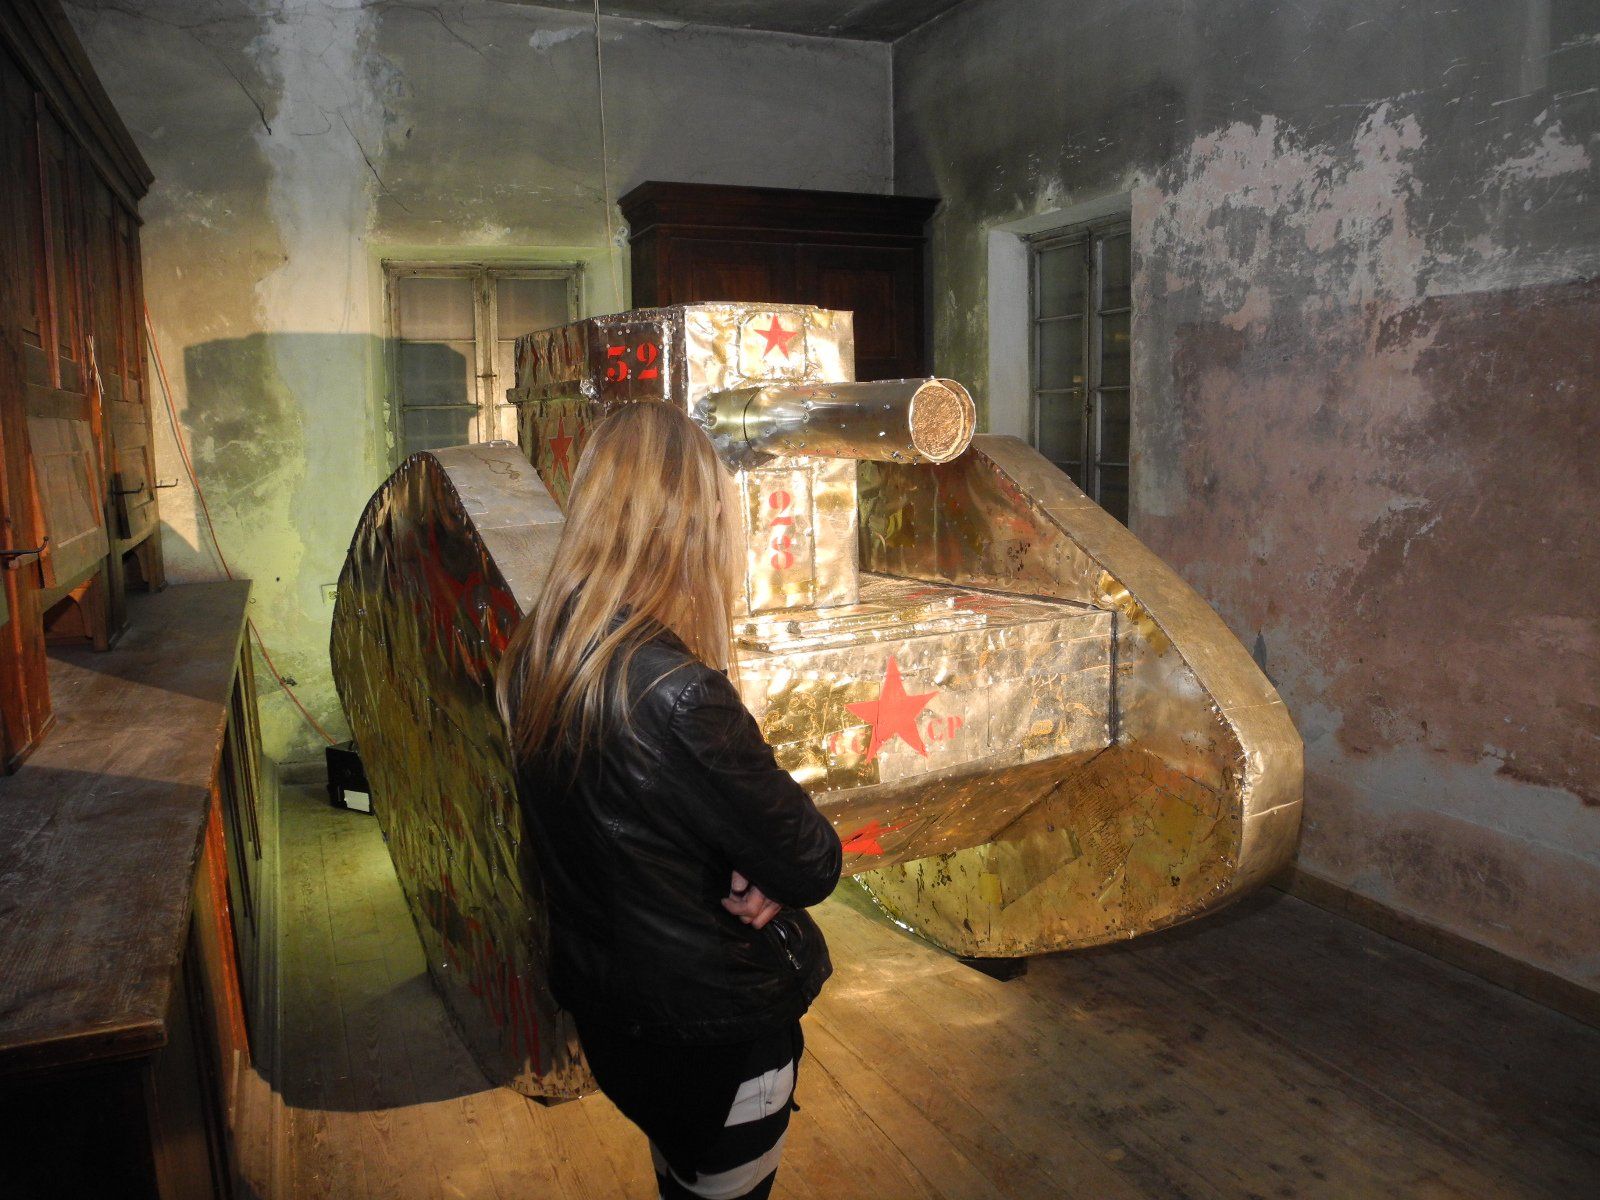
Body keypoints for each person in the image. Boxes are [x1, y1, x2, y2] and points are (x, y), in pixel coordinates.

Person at [497, 401, 843, 1200]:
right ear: (689, 525)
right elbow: (812, 862)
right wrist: (766, 865)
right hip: (715, 1040)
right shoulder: (680, 692)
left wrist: (740, 853)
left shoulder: (539, 653)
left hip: (620, 1025)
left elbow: (631, 832)